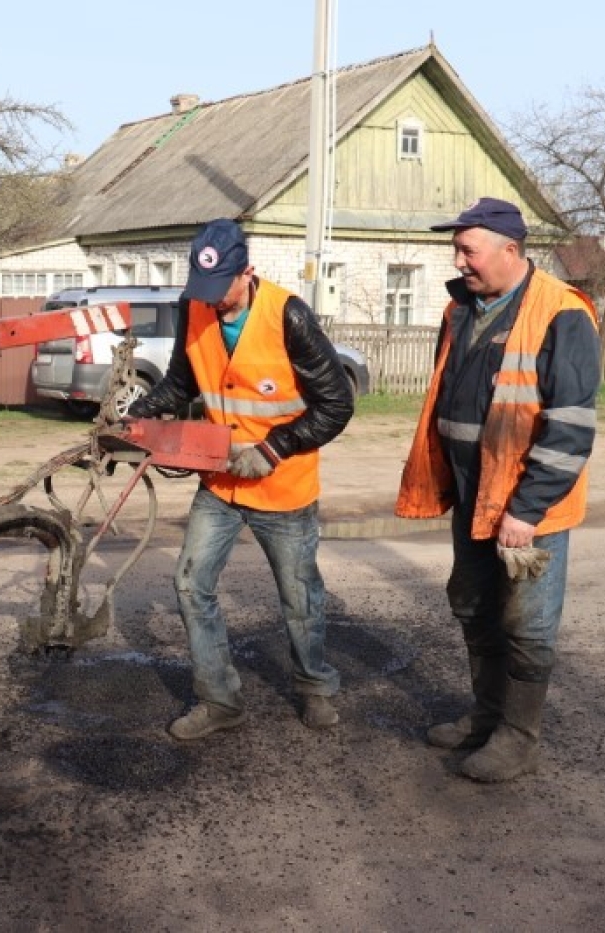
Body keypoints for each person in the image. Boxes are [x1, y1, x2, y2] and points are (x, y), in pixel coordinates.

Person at [396, 197, 601, 782]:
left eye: (468, 249)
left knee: (526, 624)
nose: (459, 260)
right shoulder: (460, 311)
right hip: (473, 493)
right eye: (457, 249)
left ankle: (518, 738)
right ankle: (486, 716)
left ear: (510, 251)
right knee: (474, 607)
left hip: (528, 509)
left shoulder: (562, 314)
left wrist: (527, 509)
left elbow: (570, 426)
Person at [126, 218, 354, 741]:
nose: (213, 301)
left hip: (284, 485)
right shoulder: (196, 307)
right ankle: (219, 699)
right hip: (221, 481)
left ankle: (315, 686)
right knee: (190, 581)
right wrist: (143, 413)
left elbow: (337, 404)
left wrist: (274, 448)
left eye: (222, 289)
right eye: (203, 290)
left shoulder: (288, 315)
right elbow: (184, 379)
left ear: (247, 271)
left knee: (298, 595)